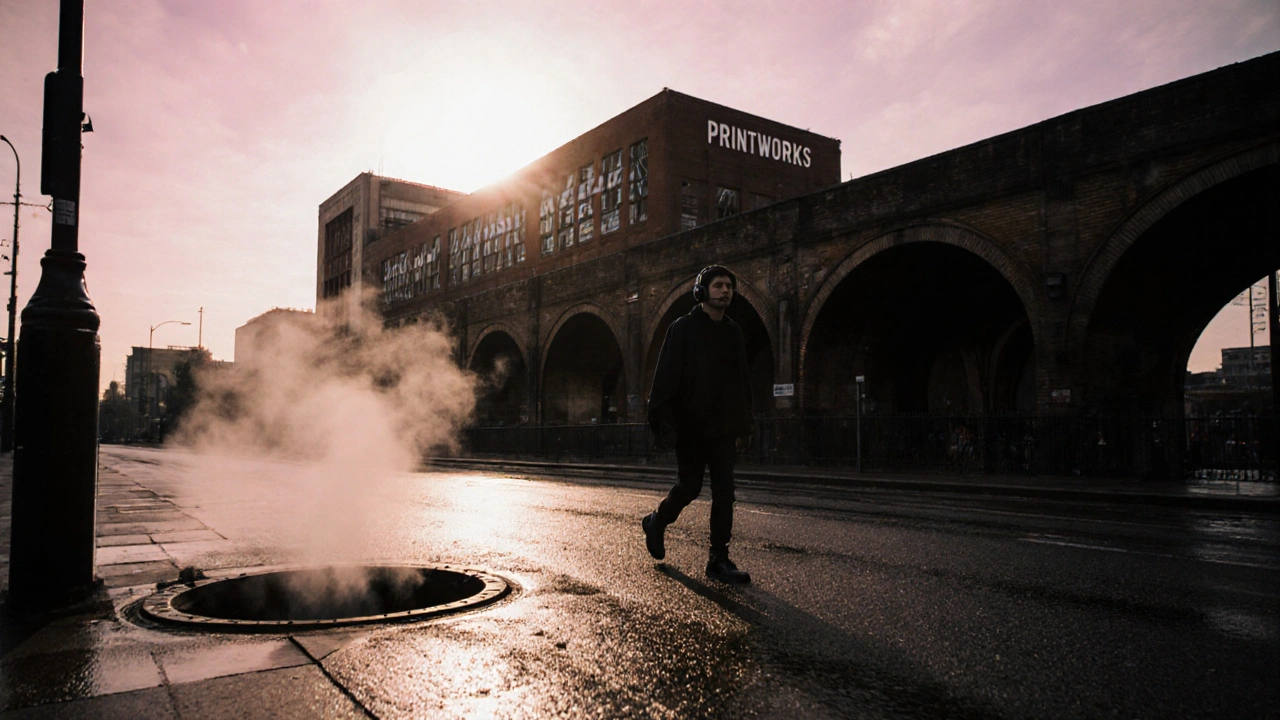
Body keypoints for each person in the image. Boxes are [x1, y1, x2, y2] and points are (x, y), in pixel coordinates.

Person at [641, 265, 754, 583]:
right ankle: (657, 521)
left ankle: (719, 558)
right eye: (718, 285)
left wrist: (746, 426)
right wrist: (662, 423)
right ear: (701, 291)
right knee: (689, 487)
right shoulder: (683, 328)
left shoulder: (733, 332)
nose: (725, 291)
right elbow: (664, 379)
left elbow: (742, 382)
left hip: (724, 429)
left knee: (724, 492)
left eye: (729, 286)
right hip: (690, 427)